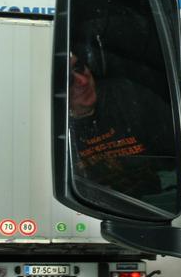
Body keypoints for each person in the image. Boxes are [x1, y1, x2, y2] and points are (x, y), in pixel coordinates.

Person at [68, 52, 173, 199]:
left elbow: (177, 150)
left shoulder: (125, 95)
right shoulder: (51, 129)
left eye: (79, 67)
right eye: (68, 80)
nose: (83, 81)